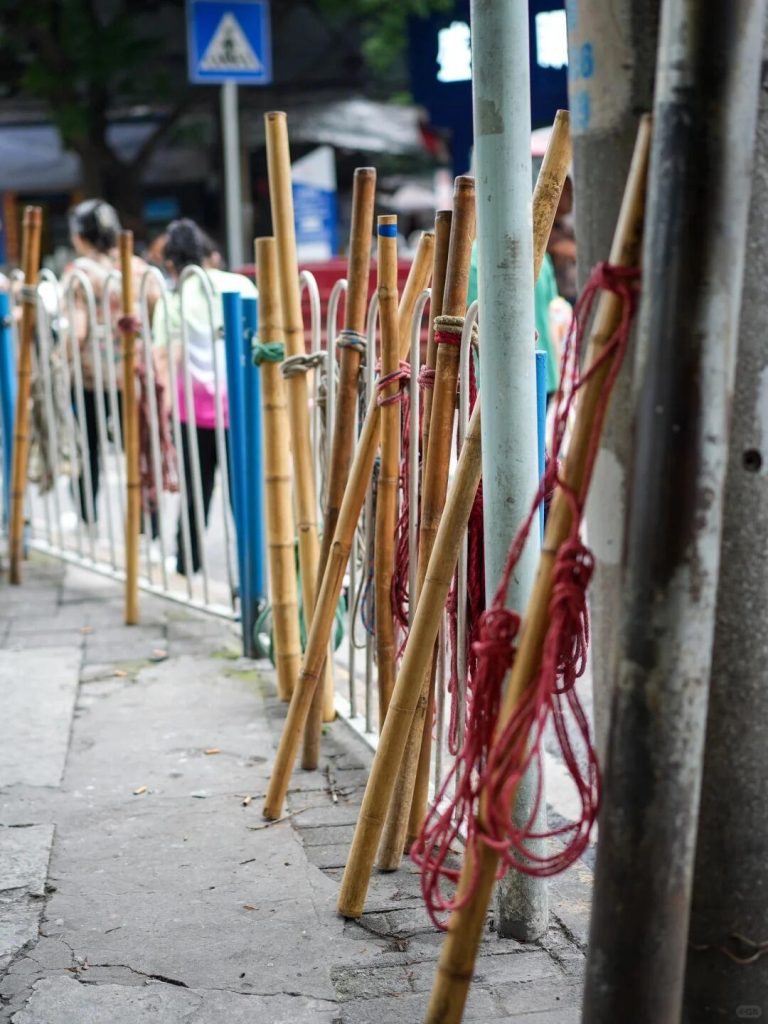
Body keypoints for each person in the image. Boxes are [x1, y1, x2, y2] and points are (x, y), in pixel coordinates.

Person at [151, 218, 256, 576]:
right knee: (243, 493)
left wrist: (160, 422)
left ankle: (186, 564)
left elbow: (163, 363)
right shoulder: (239, 284)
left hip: (193, 413)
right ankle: (250, 571)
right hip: (243, 409)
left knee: (197, 491)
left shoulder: (173, 300)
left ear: (170, 264)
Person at [62, 199, 160, 523]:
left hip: (92, 377)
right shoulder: (138, 269)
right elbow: (158, 311)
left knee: (89, 448)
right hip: (132, 371)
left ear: (81, 235)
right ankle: (148, 523)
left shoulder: (81, 274)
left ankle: (87, 515)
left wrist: (57, 361)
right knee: (140, 446)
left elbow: (77, 331)